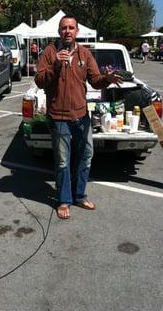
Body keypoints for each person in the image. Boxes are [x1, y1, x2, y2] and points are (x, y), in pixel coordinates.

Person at [35, 15, 123, 219]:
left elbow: (95, 79)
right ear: (59, 31)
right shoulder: (49, 52)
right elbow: (40, 81)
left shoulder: (84, 53)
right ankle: (64, 200)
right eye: (64, 28)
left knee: (86, 156)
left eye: (71, 28)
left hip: (82, 115)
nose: (68, 31)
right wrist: (56, 65)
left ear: (77, 32)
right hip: (58, 117)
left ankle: (80, 195)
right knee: (63, 161)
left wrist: (107, 79)